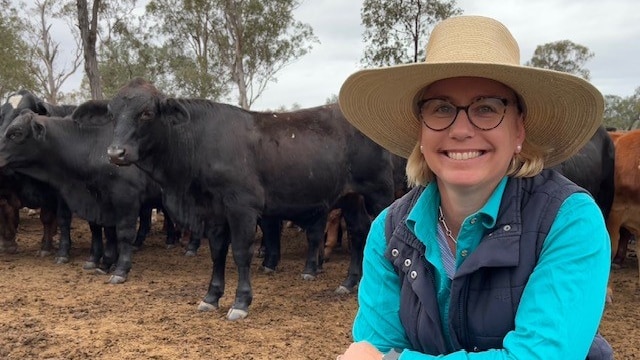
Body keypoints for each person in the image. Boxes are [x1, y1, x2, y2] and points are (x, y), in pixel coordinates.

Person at [336, 15, 613, 359]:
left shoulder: (569, 220)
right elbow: (377, 345)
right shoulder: (389, 231)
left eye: (486, 108)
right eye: (441, 109)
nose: (461, 129)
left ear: (518, 130)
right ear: (420, 131)